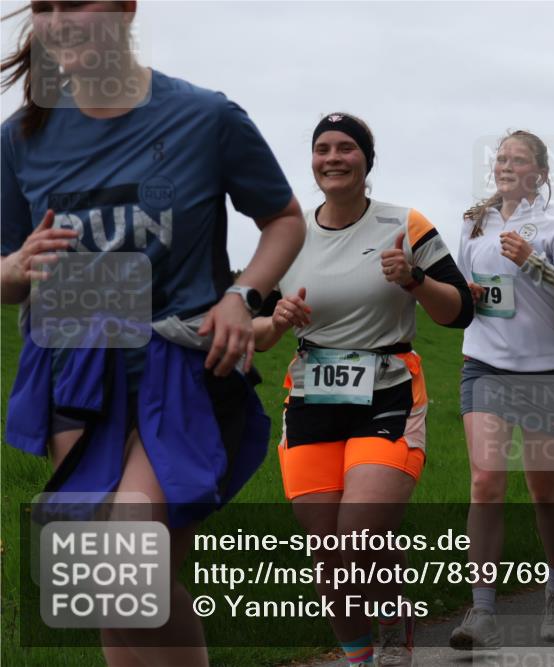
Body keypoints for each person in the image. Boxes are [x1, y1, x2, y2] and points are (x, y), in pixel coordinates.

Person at [0, 2, 305, 664]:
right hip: (77, 373)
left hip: (183, 372)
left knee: (124, 560)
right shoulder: (20, 138)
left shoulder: (205, 117)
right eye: (44, 7)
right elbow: (7, 277)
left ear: (126, 7)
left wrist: (239, 294)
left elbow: (283, 218)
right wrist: (15, 266)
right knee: (109, 593)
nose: (57, 21)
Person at [252, 112, 474, 667]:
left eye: (346, 148)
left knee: (357, 541)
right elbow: (248, 332)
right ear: (312, 161)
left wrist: (415, 281)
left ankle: (396, 637)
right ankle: (361, 658)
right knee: (328, 555)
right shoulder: (288, 234)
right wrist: (277, 322)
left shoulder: (405, 224)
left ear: (366, 161)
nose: (333, 158)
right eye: (322, 148)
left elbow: (461, 311)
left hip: (389, 393)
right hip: (311, 401)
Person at [450, 130, 554, 649]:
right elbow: (466, 292)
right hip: (486, 365)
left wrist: (534, 264)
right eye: (500, 158)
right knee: (486, 482)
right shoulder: (474, 222)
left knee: (545, 491)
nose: (507, 166)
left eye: (519, 159)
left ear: (540, 172)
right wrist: (465, 295)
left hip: (546, 372)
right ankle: (482, 611)